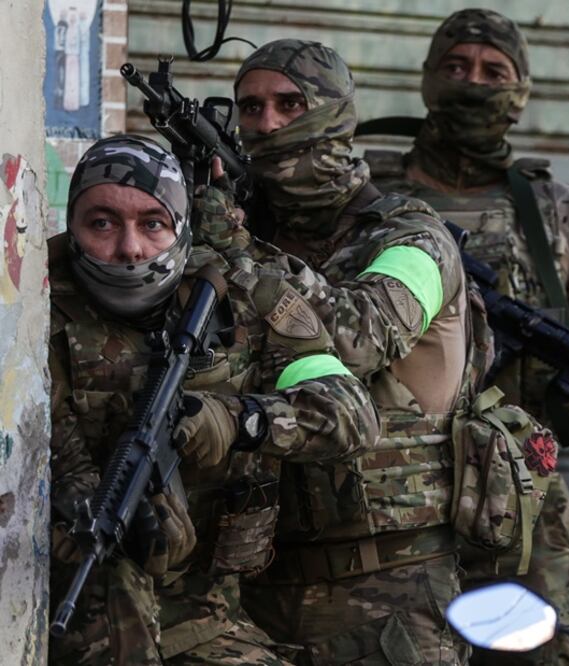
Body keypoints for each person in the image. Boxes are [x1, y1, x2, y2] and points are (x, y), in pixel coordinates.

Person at [360, 10, 569, 664]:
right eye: (456, 67)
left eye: (494, 71)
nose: (473, 83)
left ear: (520, 93)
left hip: (521, 500)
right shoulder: (365, 195)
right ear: (427, 81)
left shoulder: (565, 218)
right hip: (382, 498)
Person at [48, 135, 377, 664]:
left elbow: (352, 414)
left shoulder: (248, 294)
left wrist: (241, 421)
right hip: (76, 610)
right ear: (74, 225)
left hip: (204, 618)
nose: (130, 248)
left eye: (153, 224)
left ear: (180, 226)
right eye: (102, 223)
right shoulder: (32, 306)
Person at [229, 39, 478, 664]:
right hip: (256, 586)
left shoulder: (415, 238)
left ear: (337, 113)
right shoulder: (243, 229)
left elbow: (358, 337)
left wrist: (237, 254)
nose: (269, 123)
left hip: (390, 594)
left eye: (290, 104)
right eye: (251, 108)